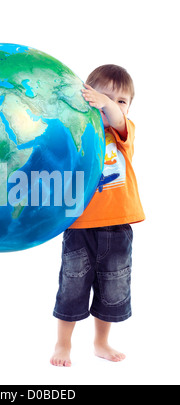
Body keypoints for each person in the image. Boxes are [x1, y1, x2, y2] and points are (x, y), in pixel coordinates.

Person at [50, 64, 145, 366]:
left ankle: (101, 342)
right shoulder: (78, 135)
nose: (112, 105)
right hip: (79, 226)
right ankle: (62, 343)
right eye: (102, 97)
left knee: (112, 290)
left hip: (117, 228)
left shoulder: (122, 134)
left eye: (121, 101)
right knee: (72, 287)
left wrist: (108, 106)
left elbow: (116, 118)